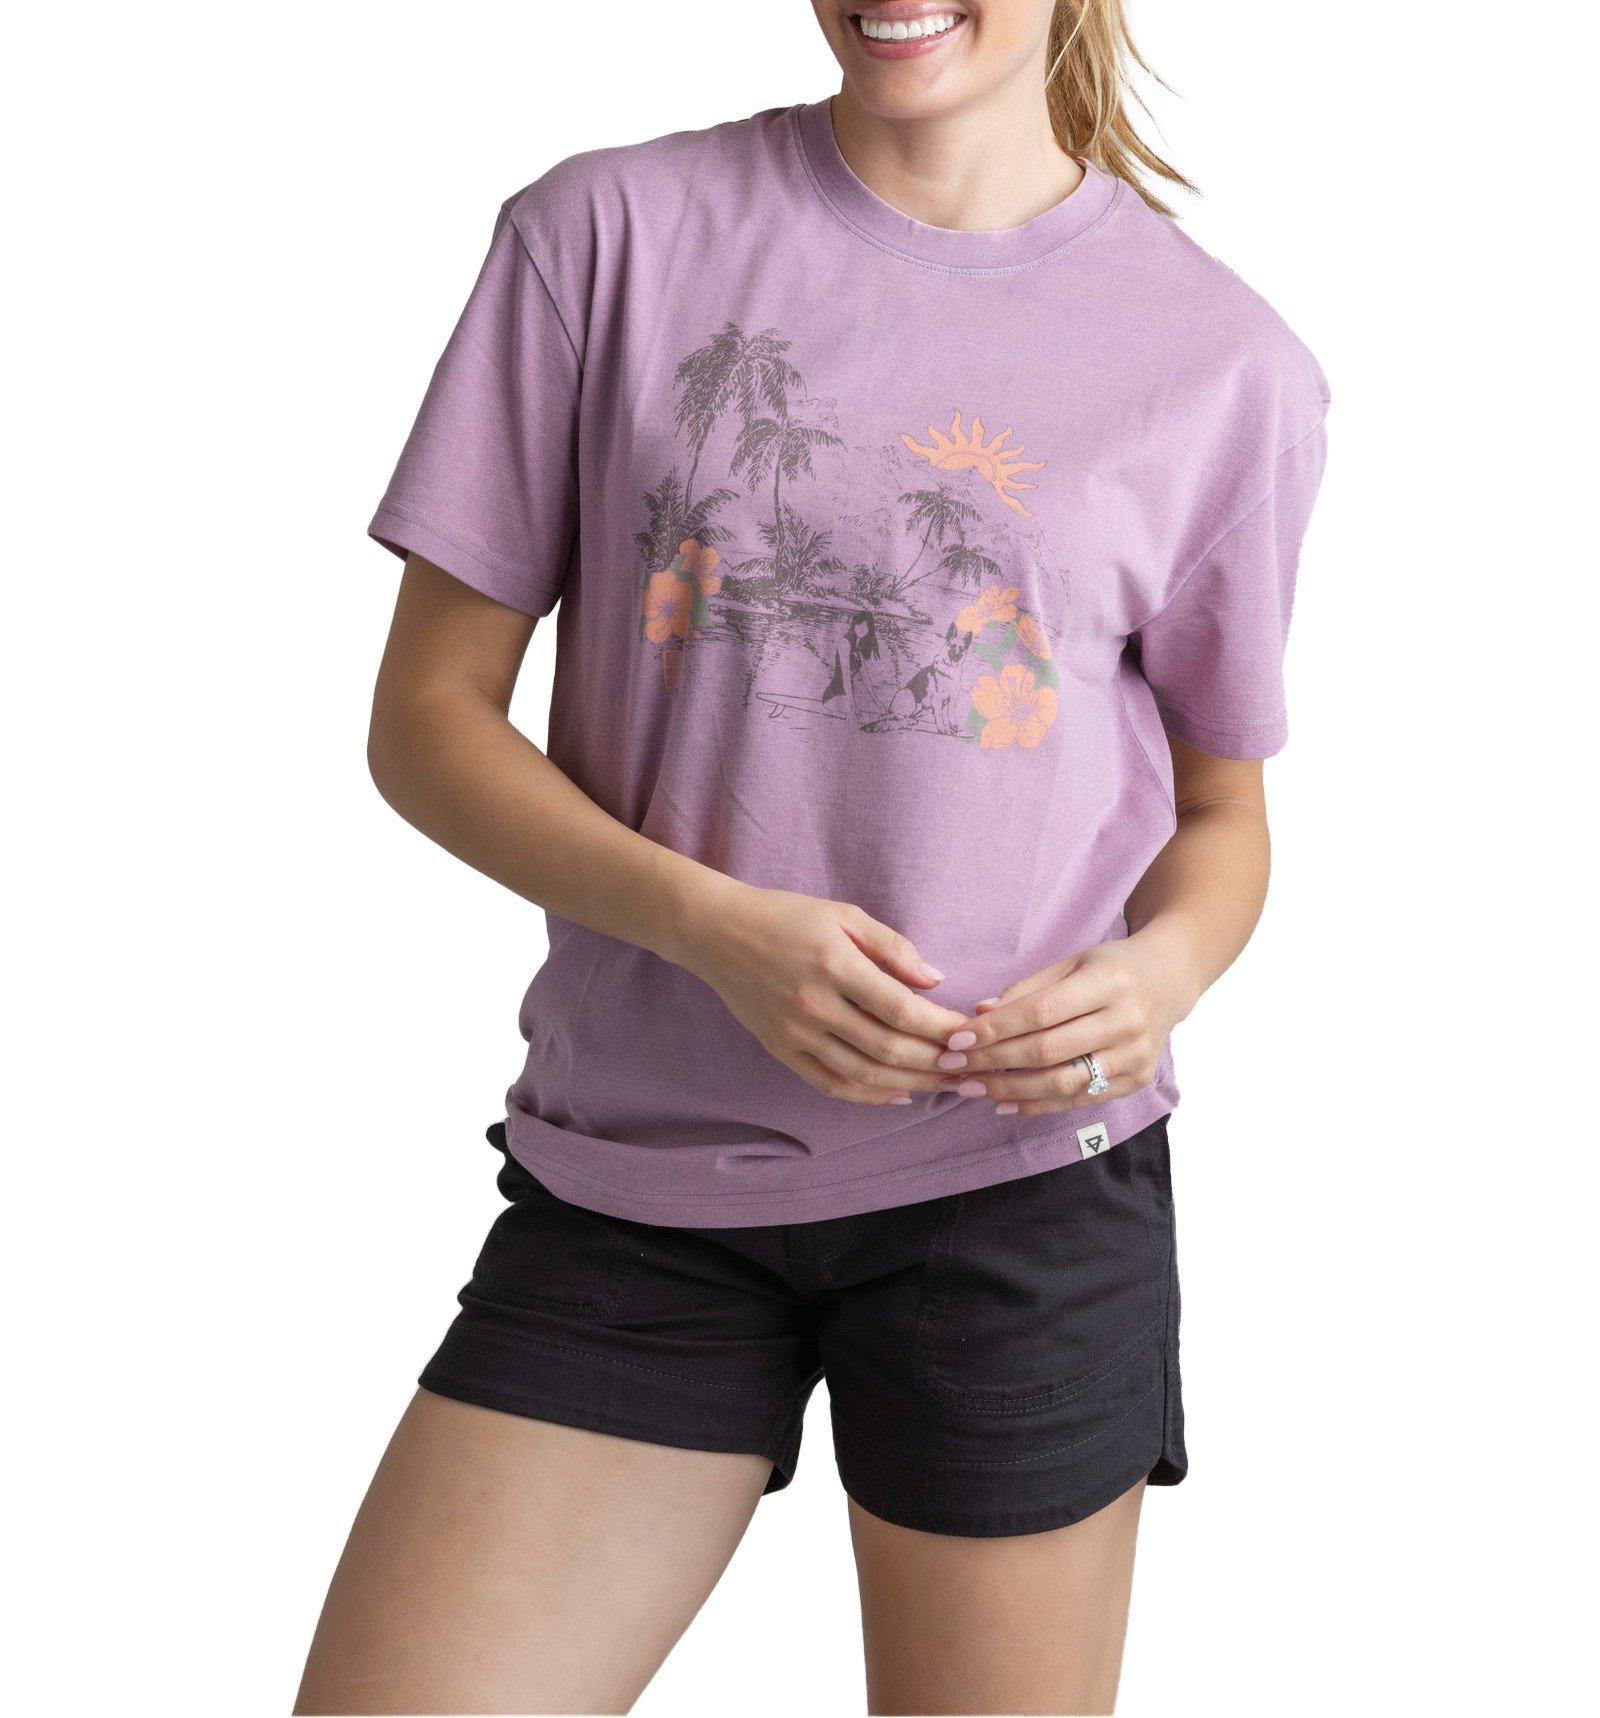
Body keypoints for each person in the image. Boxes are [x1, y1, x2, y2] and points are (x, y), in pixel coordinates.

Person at [295, 2, 1328, 1711]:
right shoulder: (603, 237)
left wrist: (1157, 978)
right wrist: (708, 924)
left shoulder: (1226, 362)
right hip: (637, 1184)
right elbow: (426, 719)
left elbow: (1226, 815)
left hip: (1019, 1193)